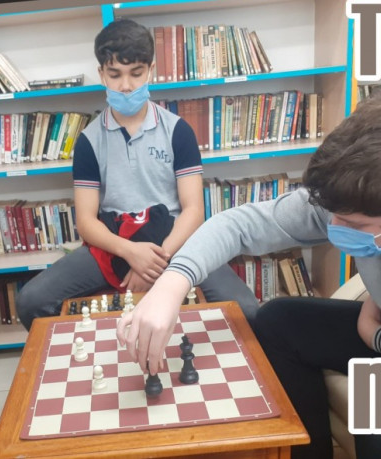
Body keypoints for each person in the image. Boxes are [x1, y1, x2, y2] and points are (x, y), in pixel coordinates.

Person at [117, 95, 381, 458]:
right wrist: (171, 285)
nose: (333, 227)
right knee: (279, 320)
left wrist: (377, 335)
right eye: (332, 215)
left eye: (354, 225)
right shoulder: (354, 201)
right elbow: (240, 225)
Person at [15, 18, 257, 330]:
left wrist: (155, 261)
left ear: (151, 70)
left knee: (246, 309)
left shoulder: (178, 131)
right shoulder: (89, 141)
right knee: (31, 301)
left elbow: (193, 210)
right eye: (115, 74)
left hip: (174, 241)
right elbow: (86, 221)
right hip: (115, 241)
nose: (126, 85)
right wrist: (131, 253)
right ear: (102, 74)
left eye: (136, 73)